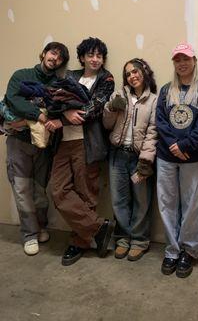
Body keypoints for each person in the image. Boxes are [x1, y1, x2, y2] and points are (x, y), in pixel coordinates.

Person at [50, 37, 115, 266]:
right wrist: (64, 115)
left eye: (99, 56)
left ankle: (79, 241)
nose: (95, 59)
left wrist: (66, 116)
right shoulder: (69, 77)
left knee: (86, 193)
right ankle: (98, 227)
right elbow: (52, 102)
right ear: (82, 58)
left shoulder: (106, 78)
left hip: (87, 143)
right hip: (63, 142)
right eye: (91, 55)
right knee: (58, 191)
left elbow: (95, 107)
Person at [4, 42, 70, 255]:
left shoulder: (58, 84)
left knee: (40, 191)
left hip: (44, 146)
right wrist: (39, 115)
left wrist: (37, 117)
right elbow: (13, 100)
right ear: (43, 53)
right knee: (22, 190)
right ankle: (29, 234)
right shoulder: (21, 75)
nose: (55, 58)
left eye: (60, 57)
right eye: (52, 52)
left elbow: (59, 110)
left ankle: (40, 226)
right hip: (18, 143)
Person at [156, 43, 198, 278]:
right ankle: (172, 250)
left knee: (193, 206)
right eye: (177, 59)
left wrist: (185, 146)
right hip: (166, 157)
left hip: (195, 157)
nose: (182, 63)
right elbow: (160, 121)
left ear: (194, 61)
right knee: (167, 203)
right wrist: (174, 146)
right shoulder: (166, 90)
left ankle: (188, 251)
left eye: (186, 59)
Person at [103, 58, 157, 261]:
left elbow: (153, 133)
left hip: (138, 157)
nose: (132, 76)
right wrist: (110, 108)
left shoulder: (153, 100)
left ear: (144, 72)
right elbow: (107, 124)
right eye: (128, 73)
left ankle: (140, 240)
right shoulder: (118, 95)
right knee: (119, 200)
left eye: (136, 71)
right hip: (117, 154)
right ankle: (123, 239)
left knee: (141, 201)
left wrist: (145, 162)